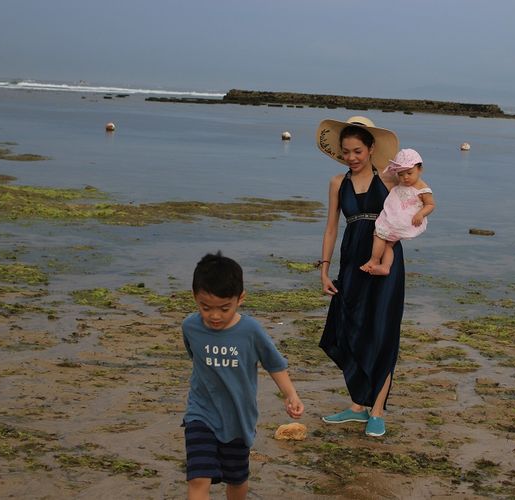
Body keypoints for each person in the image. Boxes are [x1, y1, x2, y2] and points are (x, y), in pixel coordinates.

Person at [181, 251, 304, 500]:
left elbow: (274, 364)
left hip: (238, 418)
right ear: (195, 298)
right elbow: (196, 360)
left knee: (236, 479)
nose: (215, 316)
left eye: (224, 308)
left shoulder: (250, 331)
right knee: (198, 477)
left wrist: (291, 394)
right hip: (201, 413)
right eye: (206, 308)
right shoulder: (190, 327)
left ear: (240, 299)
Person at [314, 116, 404, 438]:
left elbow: (418, 188)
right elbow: (331, 227)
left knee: (382, 332)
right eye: (346, 152)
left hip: (385, 266)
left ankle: (376, 410)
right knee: (349, 329)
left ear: (370, 149)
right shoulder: (337, 183)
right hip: (351, 263)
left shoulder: (389, 181)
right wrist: (324, 268)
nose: (351, 157)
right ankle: (357, 406)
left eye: (357, 151)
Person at [360, 148, 435, 276]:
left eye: (409, 173)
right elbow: (388, 174)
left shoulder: (423, 189)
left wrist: (421, 214)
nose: (405, 178)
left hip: (401, 219)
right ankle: (385, 267)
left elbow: (430, 205)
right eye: (400, 174)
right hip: (401, 220)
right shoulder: (404, 182)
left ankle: (374, 260)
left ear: (420, 169)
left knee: (379, 234)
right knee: (388, 245)